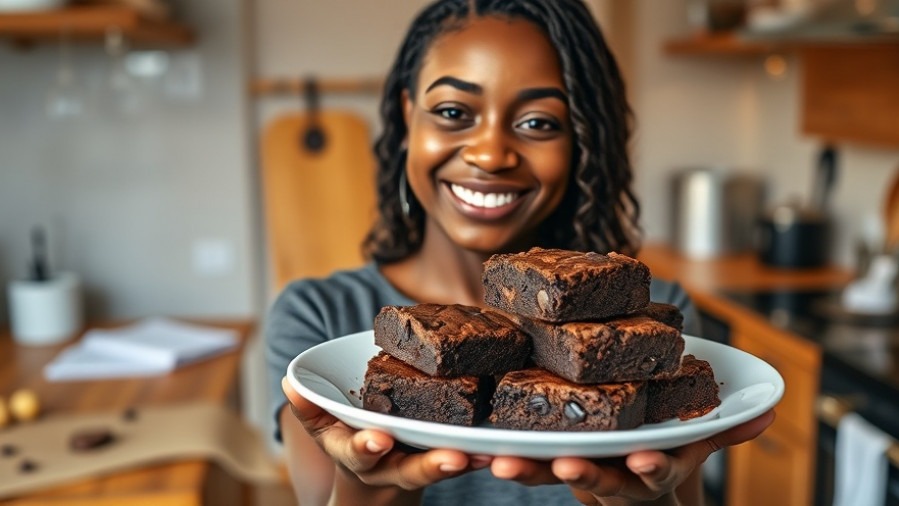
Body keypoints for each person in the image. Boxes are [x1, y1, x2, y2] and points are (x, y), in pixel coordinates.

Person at [266, 1, 774, 505]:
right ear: (407, 118)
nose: (489, 154)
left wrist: (639, 499)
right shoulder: (318, 319)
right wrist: (366, 478)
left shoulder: (656, 322)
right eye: (452, 112)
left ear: (579, 142)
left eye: (538, 123)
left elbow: (670, 482)